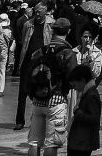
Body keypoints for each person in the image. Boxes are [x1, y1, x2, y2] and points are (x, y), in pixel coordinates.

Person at [26, 14, 77, 156]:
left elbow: (30, 72)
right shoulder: (68, 53)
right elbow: (73, 78)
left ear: (53, 30)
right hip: (56, 100)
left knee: (34, 142)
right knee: (52, 143)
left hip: (38, 99)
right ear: (68, 31)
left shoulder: (41, 50)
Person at [15, 3, 51, 131]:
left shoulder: (50, 24)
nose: (37, 14)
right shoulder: (28, 24)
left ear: (45, 12)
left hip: (43, 63)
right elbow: (24, 42)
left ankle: (41, 119)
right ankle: (19, 121)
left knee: (42, 90)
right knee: (22, 92)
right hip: (28, 62)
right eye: (35, 11)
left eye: (39, 12)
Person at [66, 63, 101, 156]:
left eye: (75, 85)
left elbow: (94, 118)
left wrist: (78, 112)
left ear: (82, 80)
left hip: (83, 142)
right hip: (79, 141)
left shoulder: (91, 95)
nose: (75, 89)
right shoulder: (85, 93)